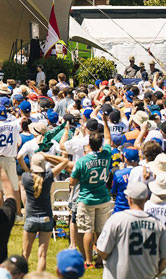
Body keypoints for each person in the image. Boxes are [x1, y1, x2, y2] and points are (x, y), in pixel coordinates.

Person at [97, 181, 166, 279]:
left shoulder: (117, 220)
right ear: (146, 199)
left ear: (129, 199)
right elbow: (164, 259)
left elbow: (102, 250)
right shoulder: (158, 224)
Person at [70, 112, 113, 268]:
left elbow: (72, 181)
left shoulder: (82, 161)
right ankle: (100, 260)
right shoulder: (107, 155)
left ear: (89, 144)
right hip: (103, 197)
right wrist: (106, 123)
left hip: (86, 198)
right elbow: (109, 139)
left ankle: (88, 260)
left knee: (87, 230)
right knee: (100, 231)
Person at [18, 153, 68, 271]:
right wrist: (46, 155)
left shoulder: (26, 177)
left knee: (25, 254)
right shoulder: (49, 176)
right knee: (42, 255)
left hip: (31, 218)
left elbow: (20, 159)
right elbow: (64, 161)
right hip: (46, 218)